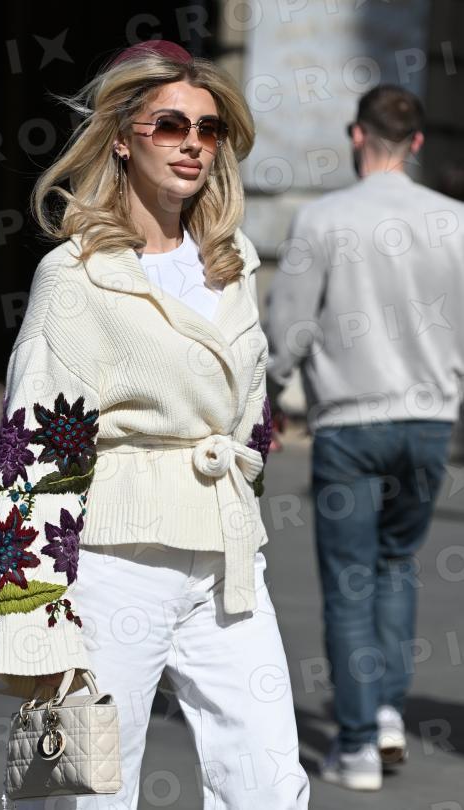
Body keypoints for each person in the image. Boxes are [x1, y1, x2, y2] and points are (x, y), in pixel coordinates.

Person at [0, 39, 310, 810]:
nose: (192, 142)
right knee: (96, 786)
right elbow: (34, 456)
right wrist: (35, 617)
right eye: (169, 124)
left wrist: (244, 487)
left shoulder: (232, 262)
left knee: (270, 782)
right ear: (124, 139)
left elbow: (250, 409)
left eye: (208, 128)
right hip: (114, 563)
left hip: (226, 558)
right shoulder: (77, 275)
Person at [265, 83, 464, 791]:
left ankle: (353, 747)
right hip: (429, 421)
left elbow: (288, 328)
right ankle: (384, 713)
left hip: (349, 422)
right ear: (416, 143)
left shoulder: (323, 219)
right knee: (397, 562)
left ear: (356, 135)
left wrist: (272, 392)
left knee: (350, 583)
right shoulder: (456, 221)